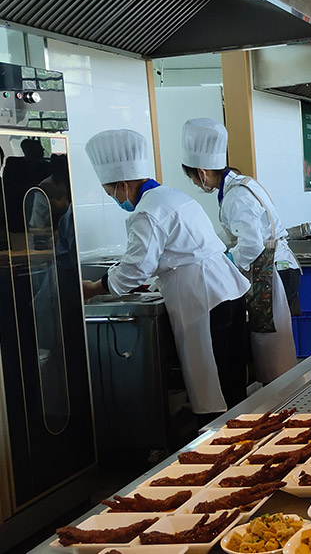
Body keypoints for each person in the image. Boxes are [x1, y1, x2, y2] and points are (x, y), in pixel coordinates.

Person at [81, 129, 251, 414]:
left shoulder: (146, 211)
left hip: (203, 296)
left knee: (213, 384)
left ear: (122, 184)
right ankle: (244, 431)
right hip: (228, 289)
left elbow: (135, 269)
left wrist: (94, 288)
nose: (115, 199)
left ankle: (222, 434)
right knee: (231, 378)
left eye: (111, 193)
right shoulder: (172, 195)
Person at [182, 118, 298, 383]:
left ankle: (280, 397)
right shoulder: (239, 185)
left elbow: (251, 245)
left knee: (272, 351)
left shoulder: (236, 195)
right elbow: (240, 236)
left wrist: (224, 262)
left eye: (193, 178)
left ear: (202, 172)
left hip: (271, 274)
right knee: (270, 347)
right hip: (275, 270)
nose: (196, 184)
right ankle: (278, 393)